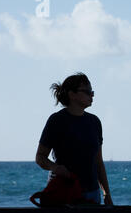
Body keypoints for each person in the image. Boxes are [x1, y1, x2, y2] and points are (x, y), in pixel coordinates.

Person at [35, 72, 113, 205]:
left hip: (92, 194)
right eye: (87, 92)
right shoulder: (57, 120)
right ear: (72, 94)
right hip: (64, 191)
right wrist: (55, 167)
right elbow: (40, 157)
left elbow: (98, 162)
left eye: (92, 92)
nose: (91, 95)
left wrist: (106, 194)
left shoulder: (94, 122)